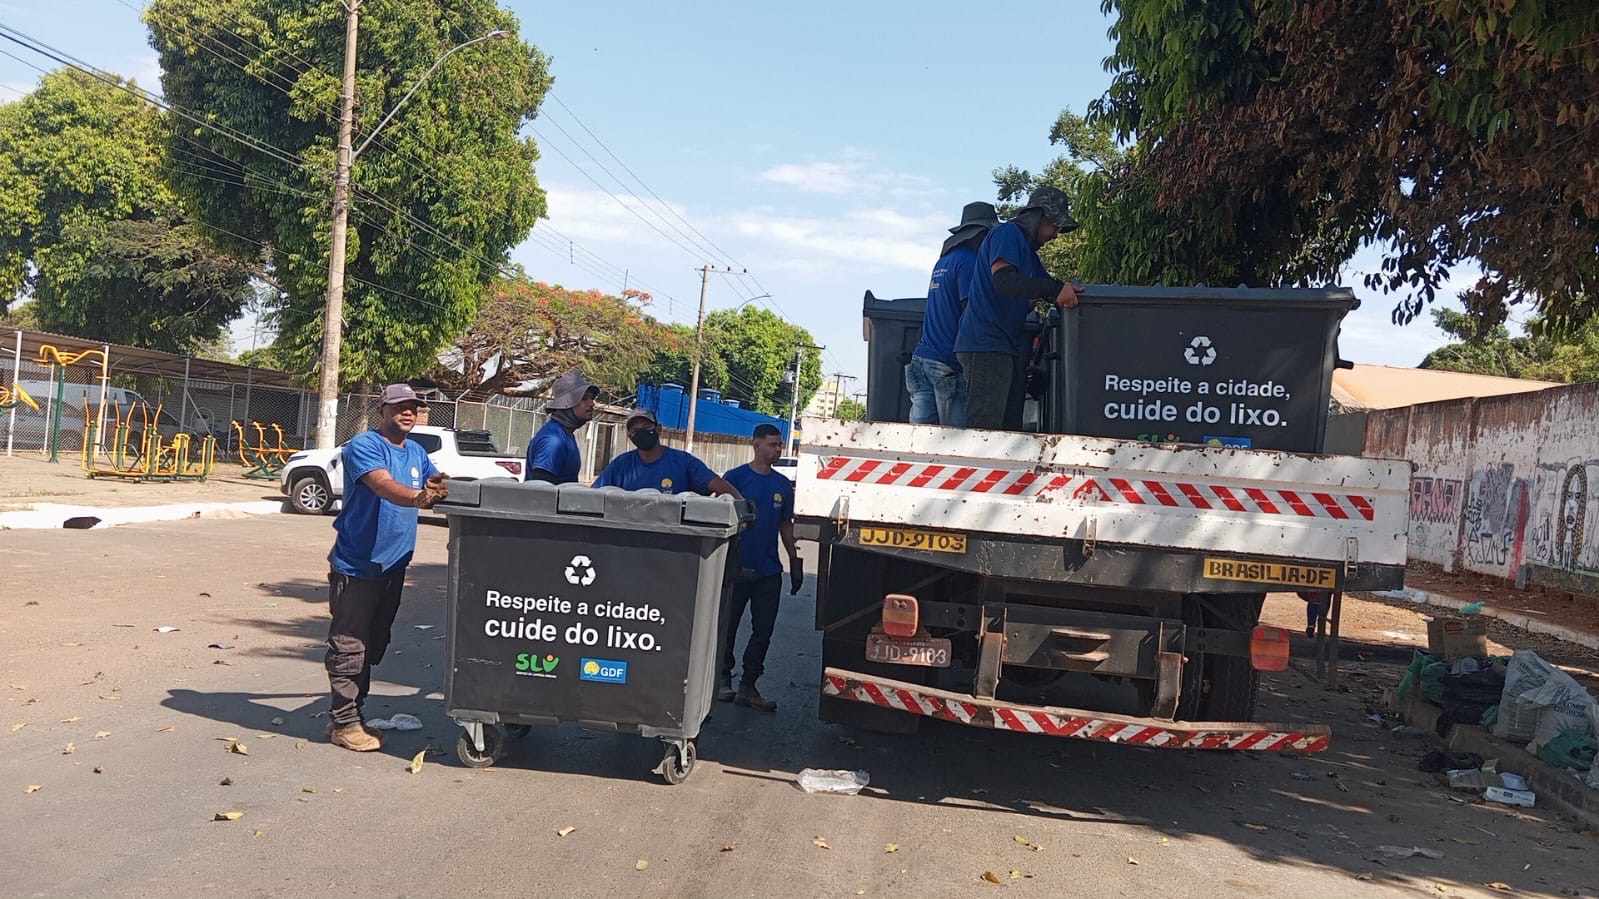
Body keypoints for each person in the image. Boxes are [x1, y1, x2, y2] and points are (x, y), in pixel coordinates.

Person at [323, 384, 449, 752]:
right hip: (358, 566)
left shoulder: (415, 451)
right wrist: (418, 497)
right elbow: (383, 485)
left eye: (413, 407)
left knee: (374, 643)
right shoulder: (365, 446)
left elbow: (436, 482)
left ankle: (351, 714)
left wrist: (456, 492)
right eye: (399, 407)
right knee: (350, 645)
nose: (407, 412)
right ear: (382, 410)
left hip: (393, 567)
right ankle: (343, 723)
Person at [953, 185, 1082, 430]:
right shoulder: (1007, 234)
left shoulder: (1028, 253)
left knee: (1008, 430)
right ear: (1040, 217)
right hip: (986, 345)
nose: (1056, 235)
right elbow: (1004, 280)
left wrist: (1064, 292)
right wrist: (1055, 290)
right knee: (985, 431)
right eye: (1055, 226)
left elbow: (1048, 288)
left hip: (1003, 346)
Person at [718, 423, 803, 711]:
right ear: (756, 445)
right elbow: (719, 519)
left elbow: (785, 525)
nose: (778, 450)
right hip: (736, 569)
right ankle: (722, 679)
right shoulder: (735, 478)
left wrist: (794, 561)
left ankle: (749, 685)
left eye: (780, 445)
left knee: (763, 630)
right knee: (726, 627)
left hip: (769, 572)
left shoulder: (781, 485)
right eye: (773, 444)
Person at [906, 201, 998, 426]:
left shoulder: (944, 261)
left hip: (922, 359)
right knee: (953, 441)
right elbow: (971, 311)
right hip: (946, 363)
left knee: (918, 438)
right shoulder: (970, 262)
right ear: (983, 234)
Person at [591, 408, 742, 498]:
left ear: (659, 429)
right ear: (630, 436)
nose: (641, 433)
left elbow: (717, 484)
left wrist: (741, 505)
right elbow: (593, 495)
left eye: (645, 427)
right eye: (635, 431)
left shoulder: (683, 462)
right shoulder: (621, 465)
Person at [525, 371, 598, 484]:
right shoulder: (553, 441)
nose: (592, 403)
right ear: (567, 404)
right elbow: (539, 491)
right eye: (584, 398)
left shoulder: (565, 435)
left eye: (591, 398)